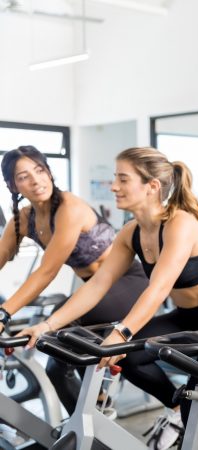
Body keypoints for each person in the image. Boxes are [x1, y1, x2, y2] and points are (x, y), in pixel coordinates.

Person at [20, 147, 198, 450]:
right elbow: (97, 286)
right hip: (187, 319)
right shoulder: (131, 232)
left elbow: (158, 288)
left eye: (123, 178)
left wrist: (120, 333)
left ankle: (183, 411)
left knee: (194, 405)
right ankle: (175, 407)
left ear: (152, 186)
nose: (114, 186)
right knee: (135, 358)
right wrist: (47, 325)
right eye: (114, 178)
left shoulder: (180, 224)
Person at [0, 145, 146, 415]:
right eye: (23, 176)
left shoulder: (69, 206)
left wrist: (4, 313)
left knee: (58, 326)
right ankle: (89, 419)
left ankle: (95, 411)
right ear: (13, 185)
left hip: (128, 282)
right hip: (93, 290)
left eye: (39, 170)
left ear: (49, 172)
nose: (35, 180)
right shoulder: (24, 219)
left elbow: (47, 270)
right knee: (56, 363)